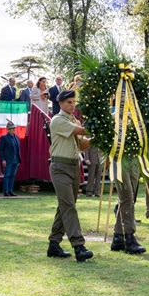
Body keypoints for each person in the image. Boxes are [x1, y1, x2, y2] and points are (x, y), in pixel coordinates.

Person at [46, 90, 93, 262]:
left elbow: (82, 145)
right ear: (60, 104)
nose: (72, 105)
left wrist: (97, 138)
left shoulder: (75, 121)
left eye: (74, 102)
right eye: (69, 102)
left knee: (66, 205)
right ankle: (79, 246)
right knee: (69, 206)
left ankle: (54, 244)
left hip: (74, 166)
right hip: (59, 167)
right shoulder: (57, 120)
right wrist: (99, 125)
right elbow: (80, 130)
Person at [111, 156, 147, 254]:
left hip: (134, 157)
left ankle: (118, 237)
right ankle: (129, 238)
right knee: (127, 198)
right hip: (119, 158)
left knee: (128, 200)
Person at [0, 120, 21, 197]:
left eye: (14, 128)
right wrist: (3, 159)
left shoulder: (16, 138)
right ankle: (6, 191)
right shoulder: (4, 138)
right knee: (7, 175)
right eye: (12, 128)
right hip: (8, 160)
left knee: (12, 175)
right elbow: (0, 150)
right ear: (8, 129)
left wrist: (18, 160)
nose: (14, 129)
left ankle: (10, 191)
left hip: (16, 160)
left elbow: (18, 149)